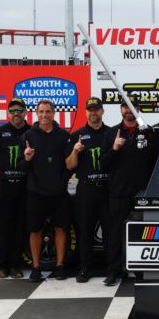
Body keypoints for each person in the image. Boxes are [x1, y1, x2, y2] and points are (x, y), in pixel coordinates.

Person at [100, 95, 159, 286]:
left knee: (145, 233)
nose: (128, 110)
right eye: (125, 107)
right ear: (121, 110)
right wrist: (115, 148)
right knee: (115, 233)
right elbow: (103, 164)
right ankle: (113, 270)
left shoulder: (149, 132)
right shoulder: (111, 133)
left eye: (133, 107)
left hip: (143, 193)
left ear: (138, 110)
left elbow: (156, 163)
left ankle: (142, 269)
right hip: (118, 192)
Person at [19, 99, 71, 282]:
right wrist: (26, 159)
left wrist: (61, 181)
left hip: (58, 193)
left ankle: (59, 266)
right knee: (35, 230)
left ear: (54, 113)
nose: (44, 115)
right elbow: (21, 167)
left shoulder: (64, 136)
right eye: (41, 112)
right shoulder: (27, 136)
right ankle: (36, 267)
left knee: (61, 229)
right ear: (36, 113)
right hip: (35, 192)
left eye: (48, 112)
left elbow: (69, 166)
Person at [65, 97, 110, 283]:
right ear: (86, 112)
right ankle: (85, 267)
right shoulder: (77, 135)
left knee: (110, 230)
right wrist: (75, 151)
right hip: (86, 190)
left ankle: (112, 267)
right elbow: (69, 166)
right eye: (90, 109)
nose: (93, 113)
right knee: (85, 230)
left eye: (96, 109)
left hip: (108, 189)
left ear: (102, 111)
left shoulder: (112, 133)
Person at [0, 97, 30, 279]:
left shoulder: (32, 132)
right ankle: (1, 265)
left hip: (25, 187)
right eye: (13, 111)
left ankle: (15, 265)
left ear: (25, 112)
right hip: (5, 187)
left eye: (19, 110)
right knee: (3, 227)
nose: (16, 114)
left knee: (20, 227)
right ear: (8, 113)